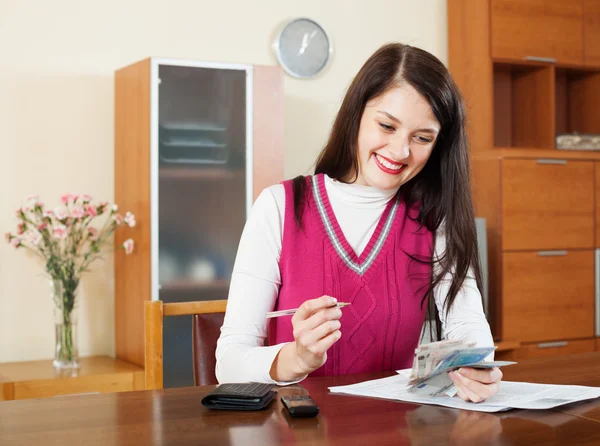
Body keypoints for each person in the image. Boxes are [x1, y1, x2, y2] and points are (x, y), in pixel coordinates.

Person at [216, 42, 501, 403]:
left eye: (422, 138)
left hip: (394, 430)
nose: (400, 152)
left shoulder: (433, 219)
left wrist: (478, 365)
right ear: (356, 114)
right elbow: (228, 362)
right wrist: (297, 357)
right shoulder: (279, 206)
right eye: (386, 125)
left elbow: (467, 324)